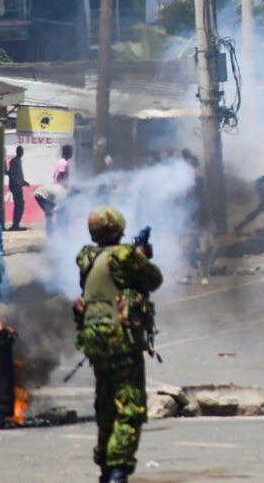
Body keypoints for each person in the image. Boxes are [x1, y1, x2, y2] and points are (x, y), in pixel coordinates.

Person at [73, 206, 162, 483]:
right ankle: (117, 469)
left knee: (106, 402)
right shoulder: (124, 256)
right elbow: (153, 279)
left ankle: (105, 462)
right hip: (119, 337)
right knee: (130, 404)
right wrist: (142, 257)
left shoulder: (87, 256)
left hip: (92, 337)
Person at [7, 146, 30, 231]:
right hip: (15, 185)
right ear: (17, 152)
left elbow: (18, 174)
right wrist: (19, 183)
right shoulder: (14, 161)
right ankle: (15, 225)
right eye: (20, 151)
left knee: (20, 204)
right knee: (19, 204)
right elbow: (12, 174)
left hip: (17, 185)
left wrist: (23, 182)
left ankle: (16, 224)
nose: (21, 153)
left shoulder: (18, 161)